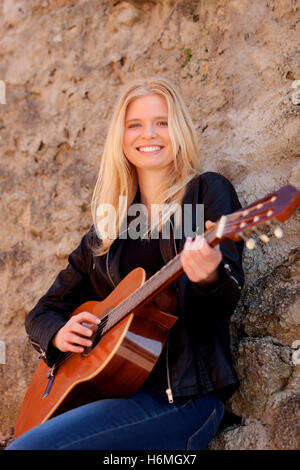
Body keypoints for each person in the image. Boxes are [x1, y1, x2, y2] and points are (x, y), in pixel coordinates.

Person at [7, 77, 244, 450]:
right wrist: (58, 334)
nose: (148, 133)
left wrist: (209, 275)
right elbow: (42, 311)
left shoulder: (206, 193)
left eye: (162, 122)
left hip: (183, 401)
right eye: (134, 124)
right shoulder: (109, 227)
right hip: (109, 400)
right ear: (121, 137)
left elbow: (226, 296)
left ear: (178, 129)